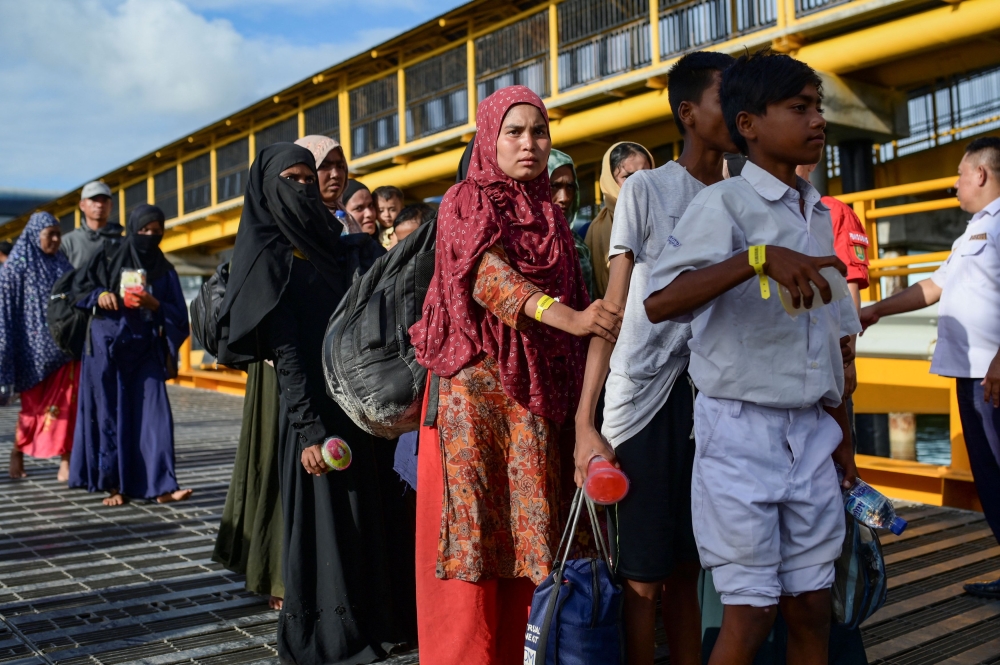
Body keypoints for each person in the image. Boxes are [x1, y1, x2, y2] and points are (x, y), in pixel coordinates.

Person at [643, 50, 860, 665]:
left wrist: (842, 433)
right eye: (799, 108)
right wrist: (756, 259)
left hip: (812, 433)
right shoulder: (725, 206)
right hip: (740, 433)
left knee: (813, 606)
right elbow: (660, 302)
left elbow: (835, 342)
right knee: (751, 611)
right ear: (749, 124)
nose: (817, 120)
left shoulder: (819, 213)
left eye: (818, 107)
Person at [408, 86, 623, 665]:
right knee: (477, 536)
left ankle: (532, 649)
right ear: (489, 137)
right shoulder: (465, 199)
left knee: (536, 533)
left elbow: (580, 298)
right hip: (475, 394)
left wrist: (585, 411)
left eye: (539, 131)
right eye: (515, 132)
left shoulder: (552, 215)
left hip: (538, 396)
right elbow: (486, 277)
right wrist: (568, 317)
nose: (529, 144)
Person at [216, 143, 414, 664]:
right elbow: (288, 359)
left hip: (356, 408)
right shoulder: (269, 255)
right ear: (267, 187)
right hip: (313, 418)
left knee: (366, 517)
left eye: (312, 177)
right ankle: (329, 636)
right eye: (293, 178)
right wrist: (307, 433)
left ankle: (377, 620)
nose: (305, 186)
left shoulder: (333, 243)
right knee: (327, 528)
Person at [573, 50, 737, 665]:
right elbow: (612, 310)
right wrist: (586, 422)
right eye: (727, 96)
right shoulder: (647, 188)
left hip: (712, 397)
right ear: (688, 113)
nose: (743, 107)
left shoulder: (744, 192)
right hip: (644, 398)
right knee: (643, 573)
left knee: (692, 565)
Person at [860, 136, 1000, 601]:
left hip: (993, 374)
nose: (955, 186)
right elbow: (934, 286)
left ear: (980, 174)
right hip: (971, 374)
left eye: (960, 176)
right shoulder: (974, 230)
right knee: (990, 477)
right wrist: (876, 310)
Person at [68, 204, 193, 507]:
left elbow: (179, 317)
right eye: (144, 230)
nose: (150, 236)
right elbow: (77, 288)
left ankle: (161, 485)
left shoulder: (164, 269)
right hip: (106, 350)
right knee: (111, 414)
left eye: (156, 231)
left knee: (156, 415)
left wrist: (154, 304)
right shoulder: (109, 255)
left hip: (144, 349)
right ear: (133, 229)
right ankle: (115, 487)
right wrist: (100, 295)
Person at [0, 212, 79, 481]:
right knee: (31, 410)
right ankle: (17, 453)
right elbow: (4, 312)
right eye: (50, 234)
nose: (57, 240)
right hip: (30, 356)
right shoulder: (15, 268)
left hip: (62, 353)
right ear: (35, 235)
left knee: (67, 406)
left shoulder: (62, 265)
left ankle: (66, 460)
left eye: (58, 234)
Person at [585, 142, 655, 298]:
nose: (639, 183)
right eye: (628, 177)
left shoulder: (666, 221)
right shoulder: (591, 231)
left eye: (647, 174)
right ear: (610, 181)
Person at [548, 148, 596, 299]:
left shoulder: (575, 240)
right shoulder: (524, 241)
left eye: (570, 187)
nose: (564, 197)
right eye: (554, 186)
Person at [294, 135, 363, 234]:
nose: (336, 175)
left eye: (340, 166)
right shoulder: (296, 222)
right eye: (324, 166)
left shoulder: (347, 221)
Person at [60, 181, 123, 269]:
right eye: (94, 200)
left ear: (111, 206)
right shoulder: (68, 243)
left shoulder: (122, 242)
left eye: (104, 201)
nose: (99, 205)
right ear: (82, 205)